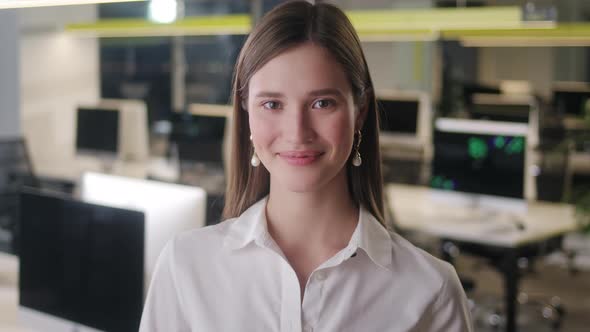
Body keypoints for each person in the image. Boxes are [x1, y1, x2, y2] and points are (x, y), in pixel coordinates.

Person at [139, 1, 473, 331]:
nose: (297, 132)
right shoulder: (186, 265)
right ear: (246, 114)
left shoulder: (431, 290)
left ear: (361, 111)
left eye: (322, 103)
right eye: (272, 104)